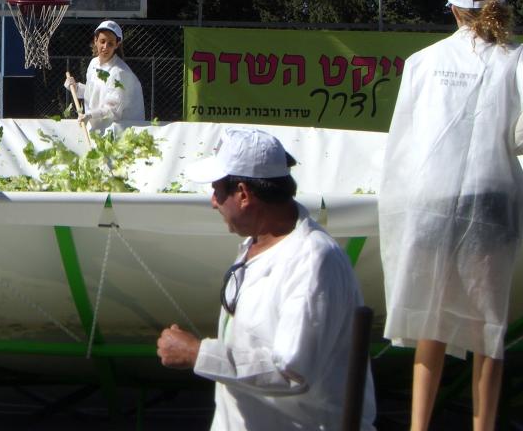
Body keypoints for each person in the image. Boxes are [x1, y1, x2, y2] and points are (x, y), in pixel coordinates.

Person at [379, 0, 523, 431]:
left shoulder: (424, 61)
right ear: (499, 6)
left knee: (431, 318)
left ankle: (419, 425)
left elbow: (405, 138)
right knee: (487, 324)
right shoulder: (518, 57)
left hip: (431, 197)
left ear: (455, 11)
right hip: (491, 196)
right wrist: (514, 141)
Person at [156, 127, 376, 431]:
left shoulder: (313, 261)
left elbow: (291, 371)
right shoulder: (256, 244)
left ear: (244, 194)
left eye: (218, 191)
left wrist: (197, 353)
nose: (213, 201)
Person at [64, 19, 146, 132]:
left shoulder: (119, 73)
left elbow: (113, 110)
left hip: (121, 132)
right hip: (98, 129)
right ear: (95, 40)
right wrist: (76, 87)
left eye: (110, 43)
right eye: (102, 41)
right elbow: (94, 92)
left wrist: (90, 115)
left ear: (117, 45)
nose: (105, 46)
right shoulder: (94, 64)